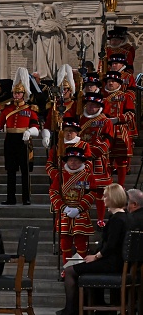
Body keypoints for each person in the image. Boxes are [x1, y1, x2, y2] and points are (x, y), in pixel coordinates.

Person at [58, 183, 128, 315]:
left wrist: (95, 257)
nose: (103, 199)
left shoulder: (117, 220)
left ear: (113, 198)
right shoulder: (124, 217)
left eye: (106, 196)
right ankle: (98, 305)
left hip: (112, 263)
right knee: (80, 263)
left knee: (69, 271)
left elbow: (110, 246)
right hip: (115, 261)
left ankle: (71, 310)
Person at [0, 67, 39, 205]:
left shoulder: (30, 109)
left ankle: (26, 198)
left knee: (25, 171)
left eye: (19, 93)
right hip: (10, 140)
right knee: (10, 171)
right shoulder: (7, 109)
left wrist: (29, 132)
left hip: (23, 140)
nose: (16, 95)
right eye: (15, 93)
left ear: (24, 94)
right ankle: (10, 198)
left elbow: (36, 126)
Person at [49, 147, 96, 269]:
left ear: (81, 162)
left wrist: (79, 208)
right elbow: (53, 192)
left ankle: (79, 268)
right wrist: (63, 207)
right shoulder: (60, 176)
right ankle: (66, 268)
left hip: (80, 213)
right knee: (65, 243)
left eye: (76, 160)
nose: (73, 163)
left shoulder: (87, 176)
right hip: (65, 212)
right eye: (71, 160)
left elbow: (91, 194)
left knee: (81, 243)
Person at [78, 92, 114, 229]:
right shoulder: (80, 119)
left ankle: (100, 218)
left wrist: (90, 153)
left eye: (94, 105)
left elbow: (106, 143)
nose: (91, 108)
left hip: (99, 161)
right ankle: (82, 216)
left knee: (100, 191)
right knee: (82, 189)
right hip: (81, 160)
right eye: (89, 104)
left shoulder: (106, 121)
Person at [102, 71, 135, 187]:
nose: (110, 83)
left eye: (113, 81)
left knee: (121, 161)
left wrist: (118, 119)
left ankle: (121, 186)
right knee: (106, 160)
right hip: (105, 131)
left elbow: (131, 114)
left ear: (118, 83)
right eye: (109, 81)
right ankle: (108, 185)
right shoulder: (101, 97)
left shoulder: (125, 96)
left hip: (120, 131)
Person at [42, 65, 77, 150]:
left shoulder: (75, 105)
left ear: (70, 90)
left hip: (71, 136)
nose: (63, 92)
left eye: (65, 89)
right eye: (61, 89)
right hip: (56, 136)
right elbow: (48, 123)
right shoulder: (55, 104)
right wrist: (46, 136)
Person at [33, 6, 68, 80]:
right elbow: (35, 31)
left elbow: (61, 33)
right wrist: (45, 30)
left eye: (48, 12)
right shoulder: (41, 22)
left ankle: (53, 76)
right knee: (43, 58)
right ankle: (44, 76)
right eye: (45, 12)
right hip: (43, 43)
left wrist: (55, 30)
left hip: (53, 43)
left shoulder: (54, 23)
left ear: (51, 13)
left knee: (51, 59)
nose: (46, 14)